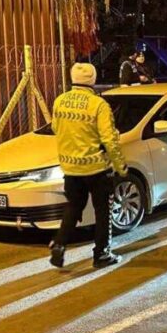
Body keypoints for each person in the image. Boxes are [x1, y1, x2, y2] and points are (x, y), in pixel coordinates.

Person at [49, 63, 127, 269]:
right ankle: (101, 254)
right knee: (104, 212)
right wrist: (120, 166)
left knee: (73, 207)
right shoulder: (98, 104)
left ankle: (59, 244)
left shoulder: (60, 101)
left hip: (70, 168)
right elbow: (109, 139)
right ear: (92, 80)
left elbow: (56, 128)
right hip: (96, 169)